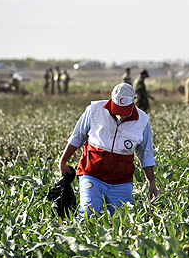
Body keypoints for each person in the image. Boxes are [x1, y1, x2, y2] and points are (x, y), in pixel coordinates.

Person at [58, 83, 158, 217]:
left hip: (121, 181)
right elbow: (77, 136)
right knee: (88, 214)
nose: (120, 114)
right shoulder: (94, 109)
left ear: (133, 101)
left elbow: (146, 154)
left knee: (123, 220)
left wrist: (151, 182)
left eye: (124, 109)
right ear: (111, 97)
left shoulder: (143, 120)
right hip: (92, 174)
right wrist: (63, 161)